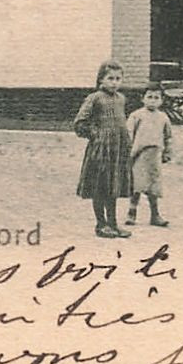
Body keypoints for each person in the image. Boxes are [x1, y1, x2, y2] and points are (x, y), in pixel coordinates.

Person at [74, 60, 133, 237]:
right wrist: (96, 135)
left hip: (117, 151)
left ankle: (113, 224)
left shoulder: (121, 99)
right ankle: (101, 224)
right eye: (110, 78)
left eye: (118, 78)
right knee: (100, 187)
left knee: (113, 186)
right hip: (100, 152)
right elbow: (80, 123)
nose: (114, 82)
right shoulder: (94, 98)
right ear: (101, 79)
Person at [125, 85, 173, 228]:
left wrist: (168, 153)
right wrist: (127, 153)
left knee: (154, 186)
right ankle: (131, 213)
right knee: (137, 185)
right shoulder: (136, 115)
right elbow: (128, 134)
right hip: (139, 155)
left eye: (156, 98)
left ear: (162, 100)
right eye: (149, 97)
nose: (152, 101)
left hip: (155, 156)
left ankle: (155, 215)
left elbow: (168, 137)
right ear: (143, 98)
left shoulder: (163, 118)